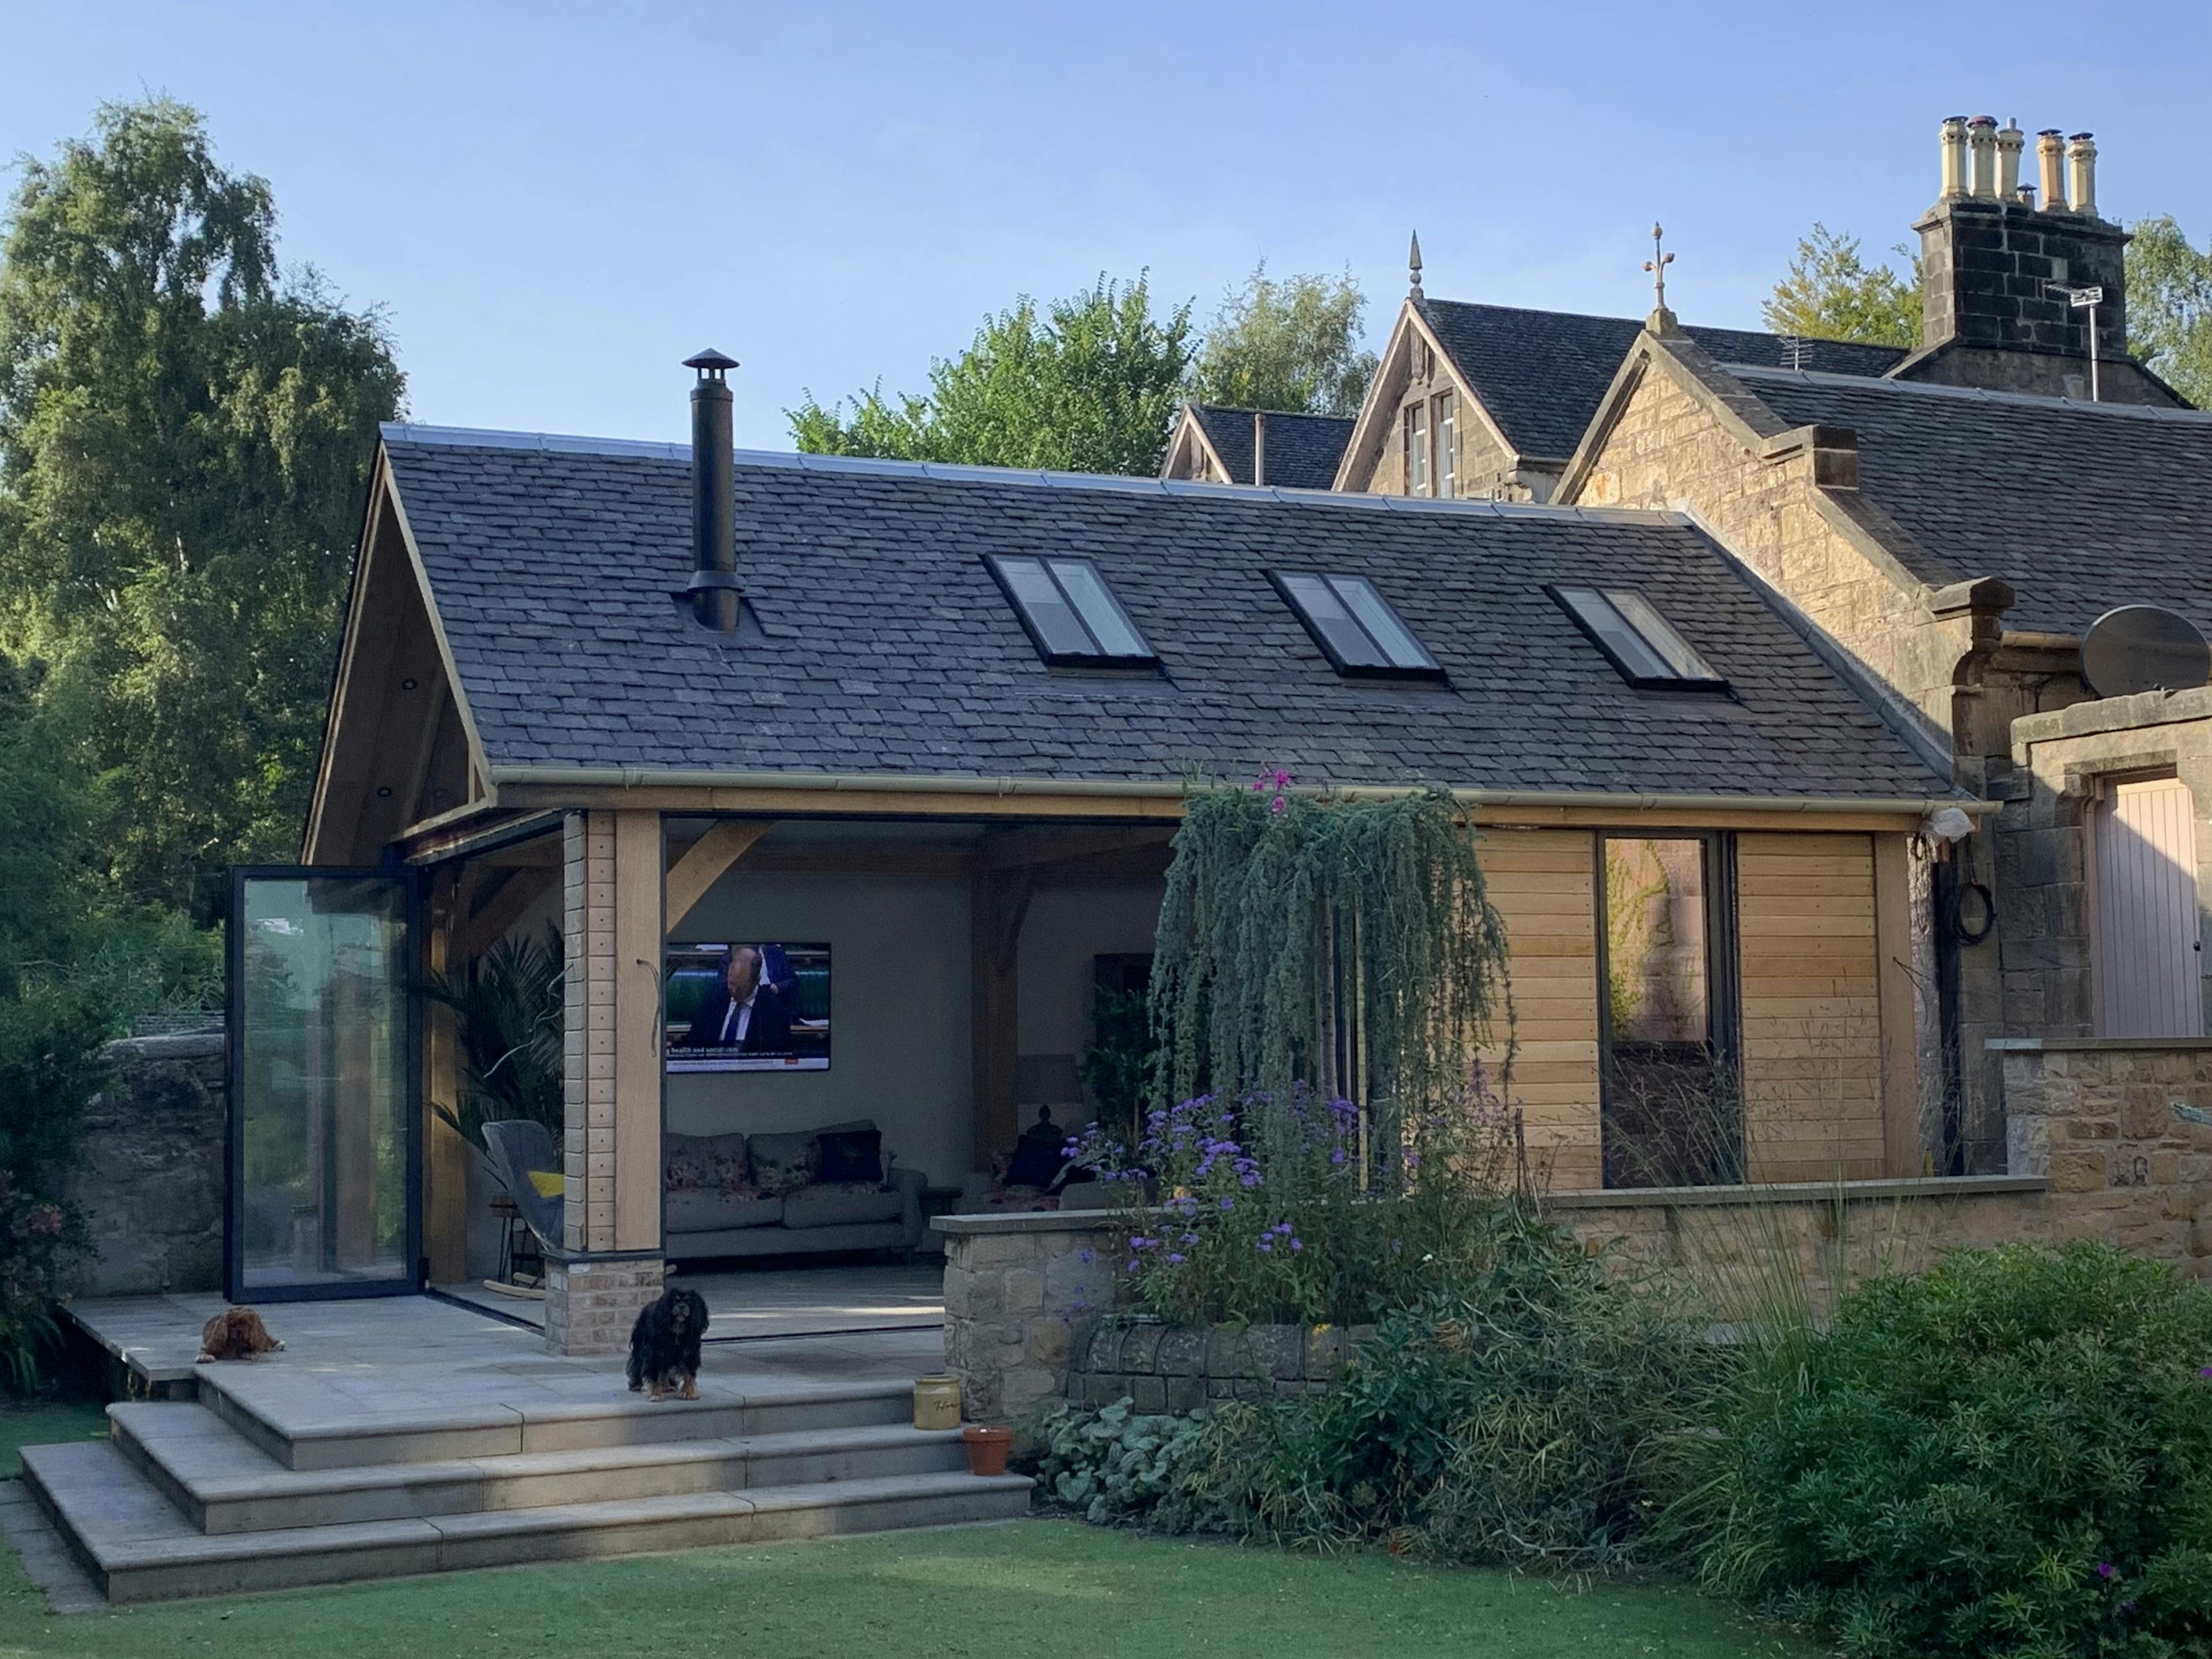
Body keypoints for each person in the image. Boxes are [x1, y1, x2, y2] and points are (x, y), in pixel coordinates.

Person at [686, 945, 793, 1055]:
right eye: (732, 984)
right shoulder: (713, 1001)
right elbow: (692, 1044)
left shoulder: (775, 1011)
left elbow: (778, 1057)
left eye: (740, 987)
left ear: (757, 980)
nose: (734, 991)